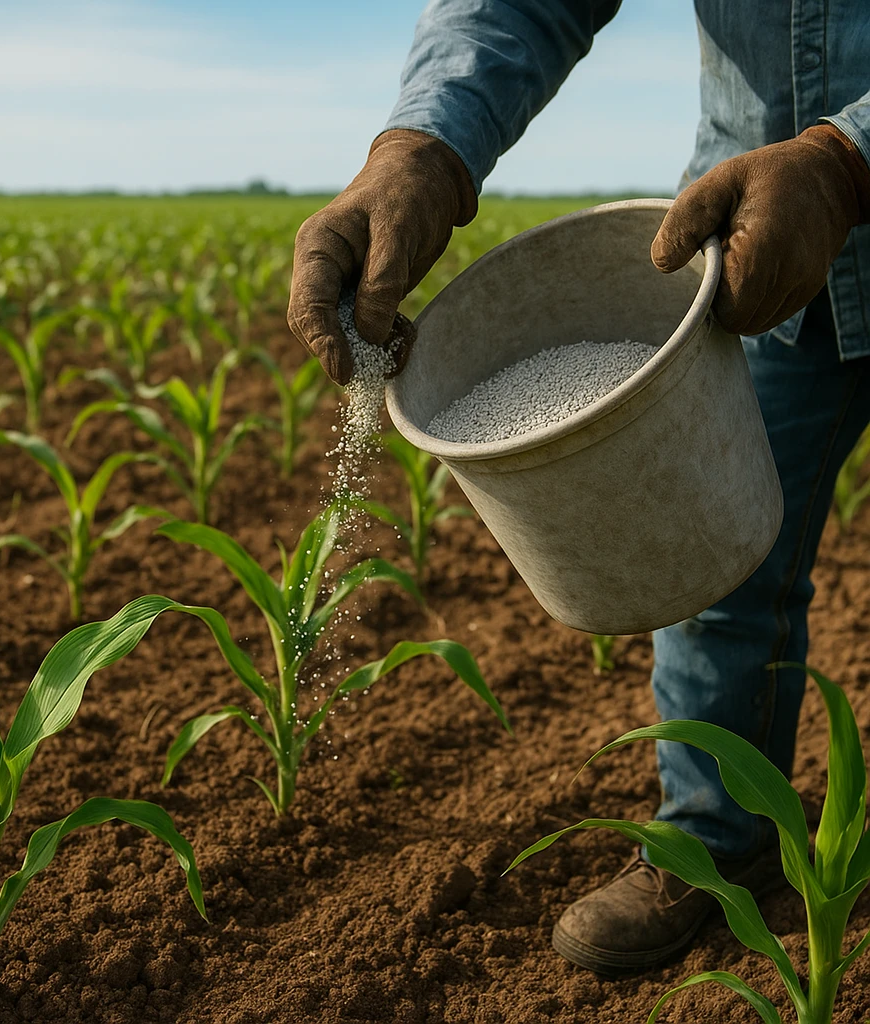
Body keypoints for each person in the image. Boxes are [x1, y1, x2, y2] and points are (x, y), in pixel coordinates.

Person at [287, 0, 870, 975]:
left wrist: (847, 161)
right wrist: (421, 146)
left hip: (812, 185)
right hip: (751, 236)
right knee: (710, 564)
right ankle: (717, 836)